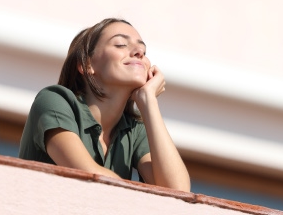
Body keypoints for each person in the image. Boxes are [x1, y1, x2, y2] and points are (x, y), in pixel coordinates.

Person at [19, 18, 190, 192]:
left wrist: (148, 102)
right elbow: (88, 176)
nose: (139, 51)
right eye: (121, 44)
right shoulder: (54, 101)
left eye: (143, 50)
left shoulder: (134, 130)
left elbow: (177, 192)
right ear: (87, 64)